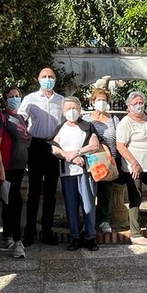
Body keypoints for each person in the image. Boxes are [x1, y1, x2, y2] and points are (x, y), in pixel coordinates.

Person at [18, 67, 64, 246]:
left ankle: (47, 231)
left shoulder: (61, 100)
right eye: (44, 76)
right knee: (34, 191)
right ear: (38, 79)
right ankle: (29, 231)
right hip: (35, 146)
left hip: (53, 146)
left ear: (55, 79)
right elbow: (21, 117)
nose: (47, 79)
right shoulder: (30, 99)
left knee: (51, 192)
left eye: (51, 76)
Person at [49, 97, 102, 251]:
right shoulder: (61, 128)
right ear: (64, 111)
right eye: (68, 109)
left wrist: (78, 152)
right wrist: (68, 156)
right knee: (71, 206)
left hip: (86, 172)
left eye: (74, 108)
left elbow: (94, 144)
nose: (72, 111)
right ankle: (75, 237)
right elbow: (54, 148)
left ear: (79, 110)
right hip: (68, 173)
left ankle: (90, 237)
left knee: (88, 204)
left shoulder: (87, 126)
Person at [115, 91, 147, 246]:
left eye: (140, 102)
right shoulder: (126, 122)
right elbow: (120, 145)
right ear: (128, 106)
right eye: (135, 103)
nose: (139, 105)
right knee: (135, 197)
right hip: (134, 167)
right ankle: (135, 233)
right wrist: (134, 163)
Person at [0, 86, 31, 259]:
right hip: (6, 167)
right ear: (5, 99)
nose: (15, 98)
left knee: (8, 202)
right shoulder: (1, 117)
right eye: (11, 96)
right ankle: (17, 241)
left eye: (17, 95)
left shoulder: (21, 118)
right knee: (16, 201)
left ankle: (6, 236)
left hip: (20, 166)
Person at [84, 88, 118, 234]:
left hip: (109, 161)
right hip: (91, 162)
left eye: (104, 100)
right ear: (92, 101)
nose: (101, 103)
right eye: (98, 100)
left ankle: (104, 220)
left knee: (106, 193)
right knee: (90, 193)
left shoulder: (113, 120)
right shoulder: (86, 119)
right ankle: (89, 221)